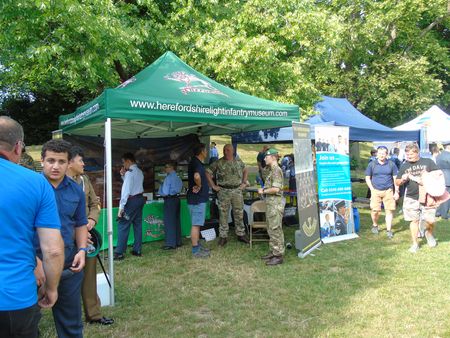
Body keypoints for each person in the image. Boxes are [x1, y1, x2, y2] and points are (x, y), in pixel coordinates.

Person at [0, 116, 64, 338]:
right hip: (15, 298)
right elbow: (53, 250)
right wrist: (52, 288)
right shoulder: (36, 183)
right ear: (18, 147)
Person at [37, 139, 88, 337]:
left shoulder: (76, 190)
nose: (55, 166)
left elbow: (80, 222)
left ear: (68, 163)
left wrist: (82, 250)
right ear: (42, 161)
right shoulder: (30, 187)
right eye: (50, 160)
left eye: (61, 161)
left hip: (68, 266)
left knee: (71, 326)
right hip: (34, 267)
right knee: (25, 325)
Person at [67, 146, 114, 326]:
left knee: (89, 275)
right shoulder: (59, 182)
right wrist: (77, 231)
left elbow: (95, 203)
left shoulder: (84, 180)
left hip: (88, 235)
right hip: (67, 236)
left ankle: (94, 314)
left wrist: (91, 221)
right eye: (81, 160)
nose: (84, 164)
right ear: (70, 162)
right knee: (65, 278)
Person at [395, 142, 439, 253]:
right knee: (414, 220)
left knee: (430, 220)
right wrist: (403, 179)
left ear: (417, 152)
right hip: (411, 197)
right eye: (407, 155)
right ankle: (415, 244)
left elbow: (438, 175)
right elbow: (397, 181)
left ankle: (428, 234)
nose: (408, 157)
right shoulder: (405, 165)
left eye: (411, 155)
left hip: (428, 196)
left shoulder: (428, 162)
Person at [206, 144, 249, 246]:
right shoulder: (219, 162)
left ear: (233, 151)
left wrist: (244, 182)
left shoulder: (238, 161)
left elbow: (246, 169)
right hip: (224, 191)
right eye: (224, 150)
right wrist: (213, 186)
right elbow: (207, 172)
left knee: (239, 213)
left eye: (228, 150)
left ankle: (241, 234)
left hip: (237, 191)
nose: (226, 152)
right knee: (223, 214)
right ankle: (223, 236)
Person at [114, 152, 145, 260]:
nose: (123, 165)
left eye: (124, 162)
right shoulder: (139, 172)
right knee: (137, 224)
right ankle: (137, 249)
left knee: (123, 224)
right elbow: (133, 185)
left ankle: (119, 252)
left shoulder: (129, 173)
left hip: (131, 201)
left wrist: (121, 208)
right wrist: (123, 176)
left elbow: (126, 191)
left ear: (128, 161)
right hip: (140, 199)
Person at [365, 146, 399, 238]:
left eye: (383, 153)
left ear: (386, 154)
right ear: (377, 154)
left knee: (389, 211)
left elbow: (395, 178)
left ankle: (389, 230)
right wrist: (371, 189)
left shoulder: (392, 164)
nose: (381, 155)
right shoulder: (372, 164)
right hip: (375, 190)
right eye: (379, 153)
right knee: (375, 210)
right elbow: (367, 178)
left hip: (388, 190)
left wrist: (397, 191)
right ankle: (375, 225)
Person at [258, 148, 285, 266]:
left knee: (275, 229)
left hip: (275, 204)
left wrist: (263, 191)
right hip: (271, 204)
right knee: (271, 228)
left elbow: (276, 189)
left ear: (273, 157)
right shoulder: (271, 170)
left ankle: (278, 255)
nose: (264, 158)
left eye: (266, 156)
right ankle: (273, 251)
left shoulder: (276, 170)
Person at [187, 143, 211, 258]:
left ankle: (197, 246)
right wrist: (200, 185)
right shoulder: (196, 163)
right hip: (197, 199)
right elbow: (197, 176)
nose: (207, 152)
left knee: (197, 223)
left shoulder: (195, 162)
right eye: (206, 150)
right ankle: (195, 250)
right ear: (202, 151)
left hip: (197, 199)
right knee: (196, 225)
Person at [158, 161, 183, 250]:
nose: (165, 169)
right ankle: (178, 241)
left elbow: (165, 192)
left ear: (171, 167)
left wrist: (160, 187)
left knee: (169, 222)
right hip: (176, 199)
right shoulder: (178, 177)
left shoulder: (168, 178)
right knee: (176, 221)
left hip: (169, 200)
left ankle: (170, 243)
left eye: (166, 167)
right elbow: (180, 188)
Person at [436, 141, 450, 219]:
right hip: (448, 177)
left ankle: (438, 212)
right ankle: (444, 214)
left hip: (440, 177)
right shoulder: (448, 155)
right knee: (447, 196)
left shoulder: (439, 155)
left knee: (441, 196)